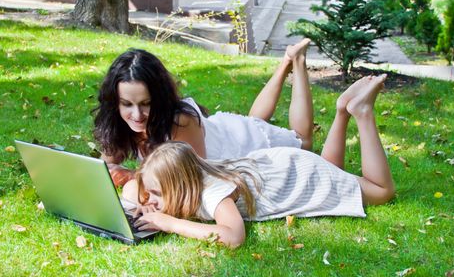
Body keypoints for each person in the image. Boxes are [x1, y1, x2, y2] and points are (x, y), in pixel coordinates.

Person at [133, 74, 395, 248]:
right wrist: (153, 208)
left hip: (300, 174)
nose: (150, 200)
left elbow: (234, 237)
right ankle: (341, 110)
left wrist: (169, 223)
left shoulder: (211, 193)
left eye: (155, 193)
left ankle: (362, 113)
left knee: (381, 191)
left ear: (180, 186)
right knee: (333, 171)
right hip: (288, 165)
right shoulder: (194, 179)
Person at [93, 40, 314, 187]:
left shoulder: (181, 121)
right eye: (126, 104)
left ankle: (299, 60)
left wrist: (133, 176)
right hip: (223, 129)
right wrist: (110, 170)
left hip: (235, 146)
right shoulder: (118, 121)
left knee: (302, 141)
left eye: (146, 103)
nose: (137, 114)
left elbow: (192, 178)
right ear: (115, 102)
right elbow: (105, 166)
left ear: (159, 99)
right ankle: (286, 60)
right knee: (255, 120)